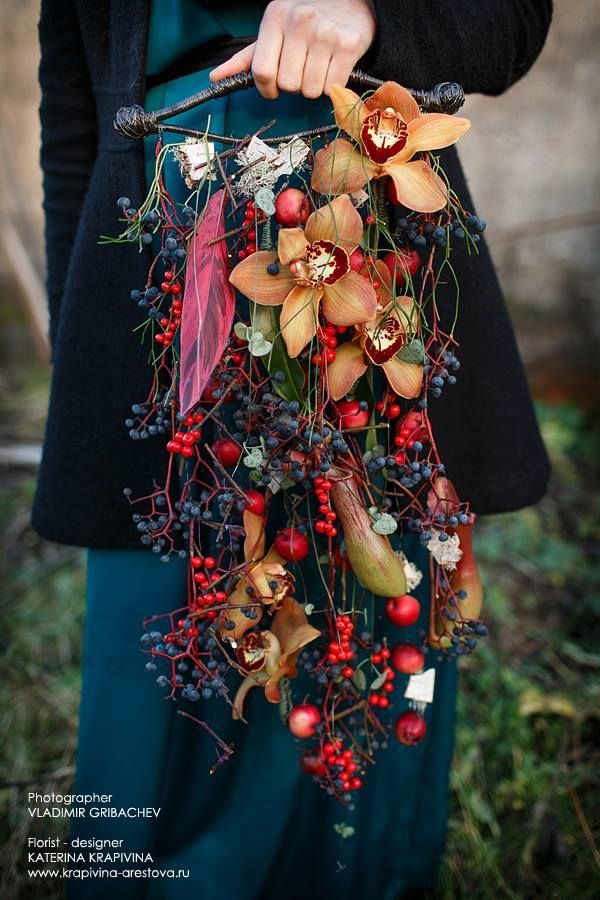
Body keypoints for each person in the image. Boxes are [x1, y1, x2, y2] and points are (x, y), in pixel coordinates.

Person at [35, 2, 553, 898]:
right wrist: (83, 322)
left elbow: (512, 18)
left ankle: (360, 869)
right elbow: (77, 107)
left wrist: (375, 12)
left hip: (367, 228)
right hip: (163, 256)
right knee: (171, 611)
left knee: (364, 577)